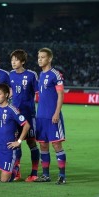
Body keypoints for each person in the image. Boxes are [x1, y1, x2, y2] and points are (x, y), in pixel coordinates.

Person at [33, 47, 67, 185]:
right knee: (43, 146)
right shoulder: (40, 75)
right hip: (40, 117)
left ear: (50, 59)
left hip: (53, 116)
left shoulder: (55, 74)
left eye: (42, 57)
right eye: (38, 57)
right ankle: (46, 175)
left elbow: (61, 95)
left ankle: (62, 176)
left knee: (57, 145)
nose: (40, 59)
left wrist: (57, 113)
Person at [9, 49, 40, 182]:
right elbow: (9, 91)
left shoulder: (32, 75)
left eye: (16, 60)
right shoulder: (10, 75)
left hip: (29, 114)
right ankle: (17, 171)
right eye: (12, 60)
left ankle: (34, 172)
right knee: (17, 143)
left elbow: (39, 93)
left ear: (22, 61)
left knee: (32, 143)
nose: (13, 62)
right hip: (15, 116)